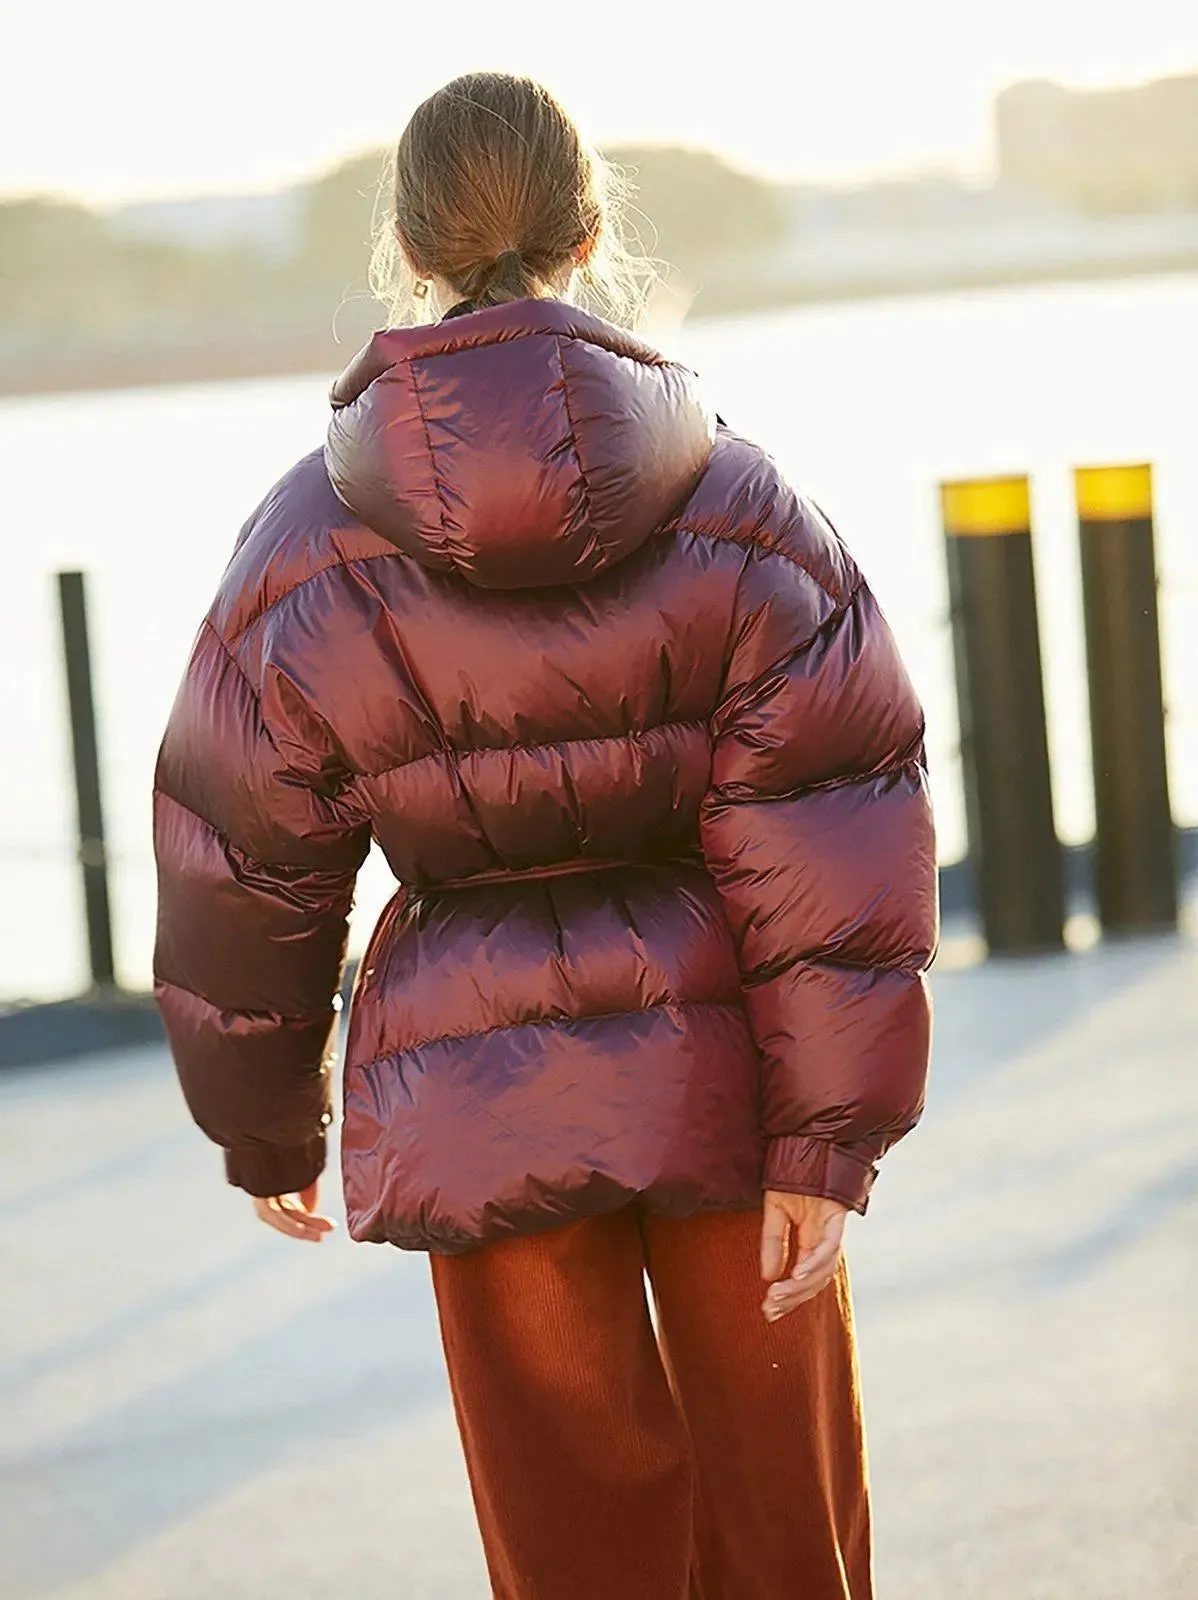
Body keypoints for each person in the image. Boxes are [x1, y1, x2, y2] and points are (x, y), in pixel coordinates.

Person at [153, 71, 936, 1600]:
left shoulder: (299, 544)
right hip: (730, 1062)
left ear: (408, 247)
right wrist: (830, 1139)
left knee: (578, 1555)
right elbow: (842, 818)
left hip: (474, 1082)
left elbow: (241, 852)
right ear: (590, 236)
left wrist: (262, 1115)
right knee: (791, 1537)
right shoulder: (742, 502)